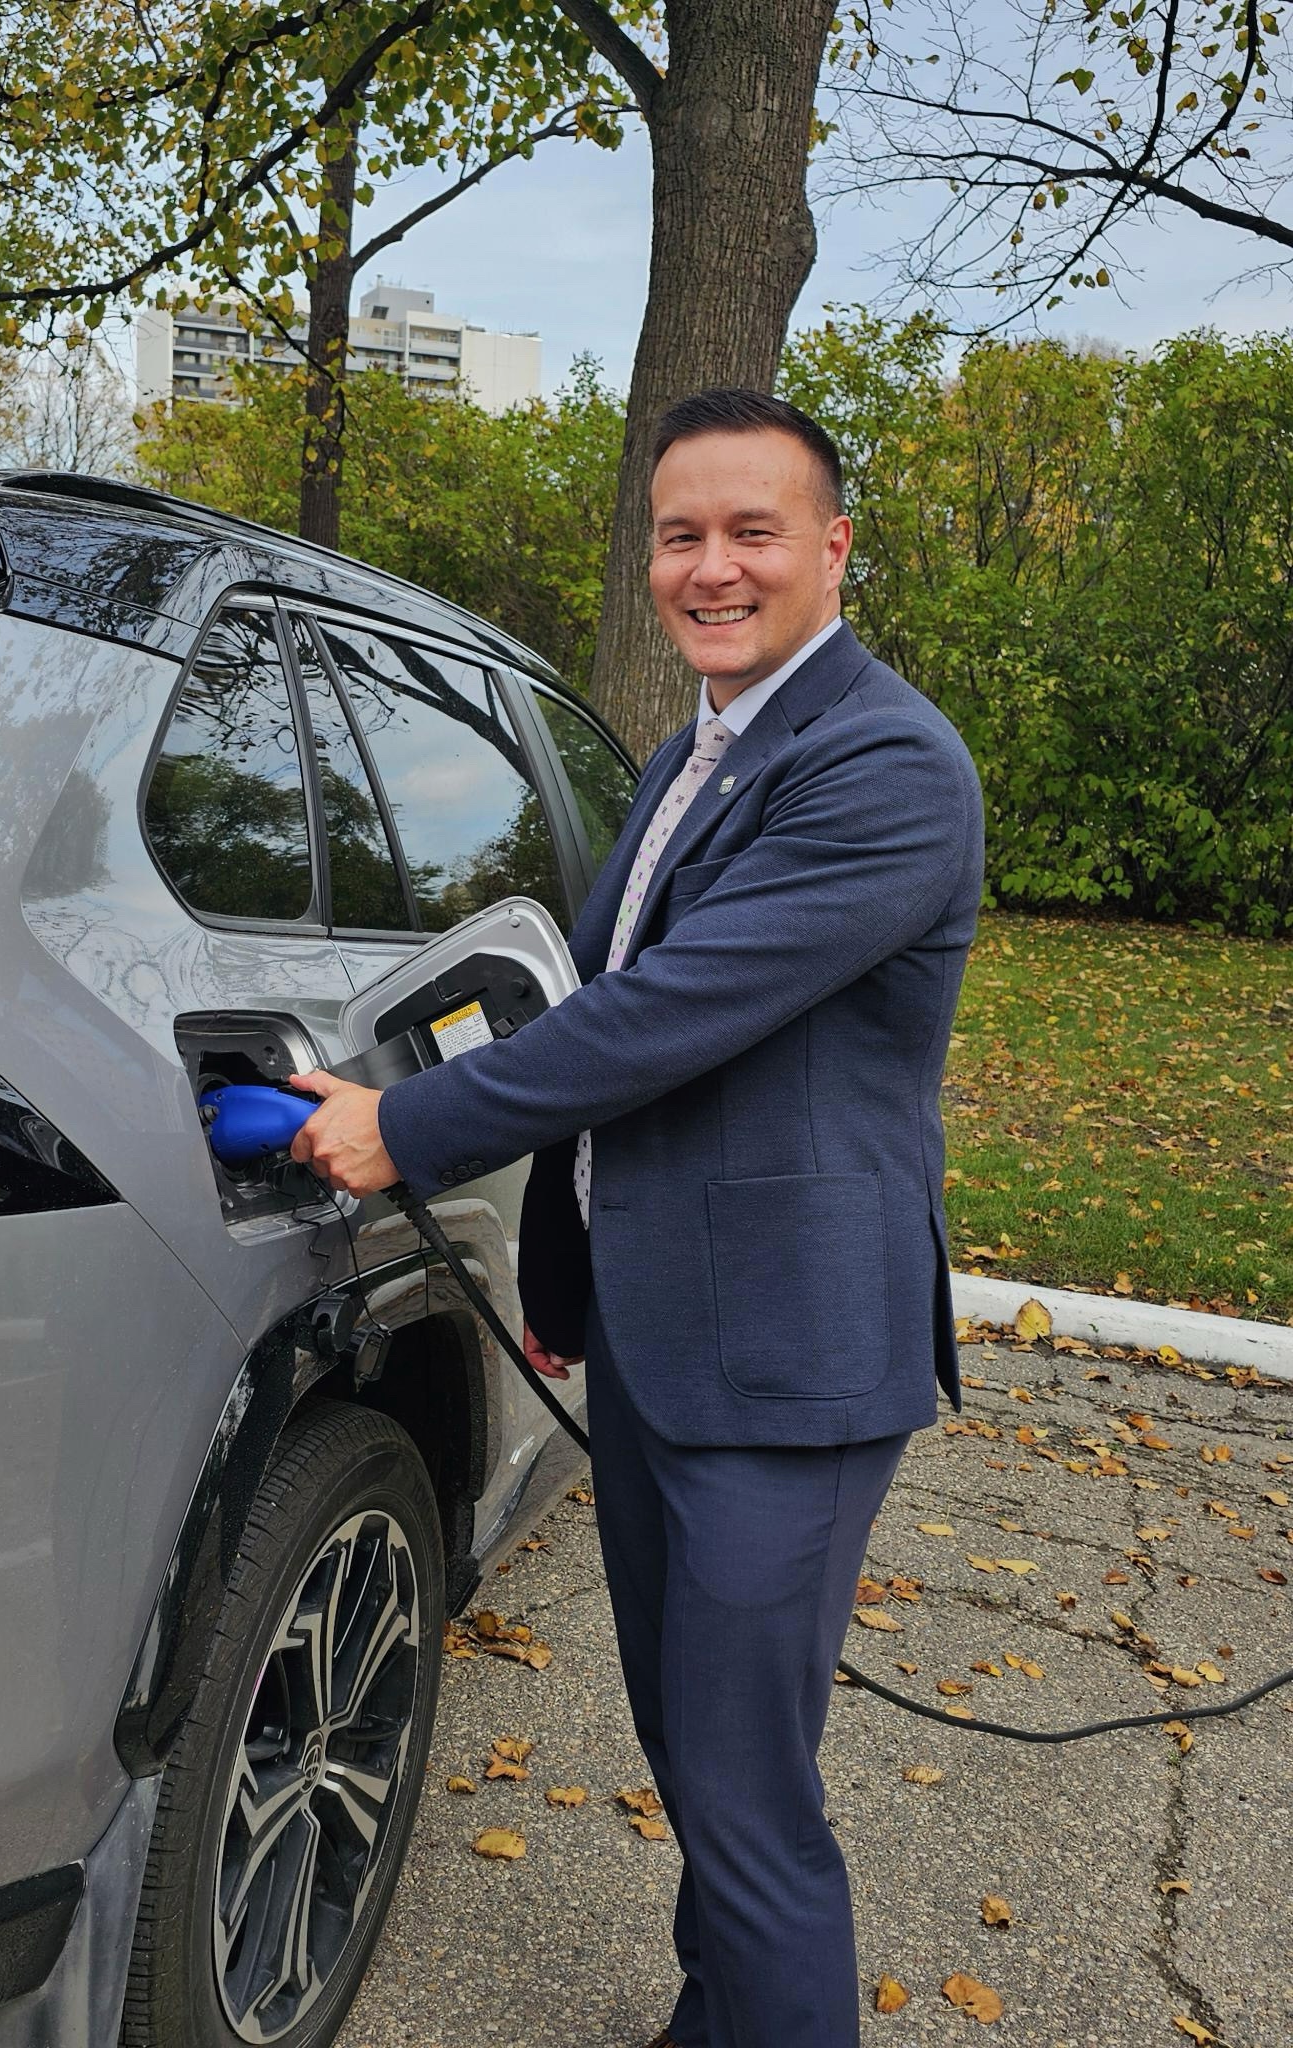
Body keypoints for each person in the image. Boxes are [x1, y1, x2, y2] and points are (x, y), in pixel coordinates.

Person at [288, 387, 984, 2048]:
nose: (713, 567)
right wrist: (564, 1274)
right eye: (683, 535)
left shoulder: (886, 761)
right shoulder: (697, 750)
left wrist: (413, 1127)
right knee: (698, 1756)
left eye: (755, 532)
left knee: (749, 1803)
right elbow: (589, 994)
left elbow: (660, 1016)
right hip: (672, 1341)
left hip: (789, 1364)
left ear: (833, 551)